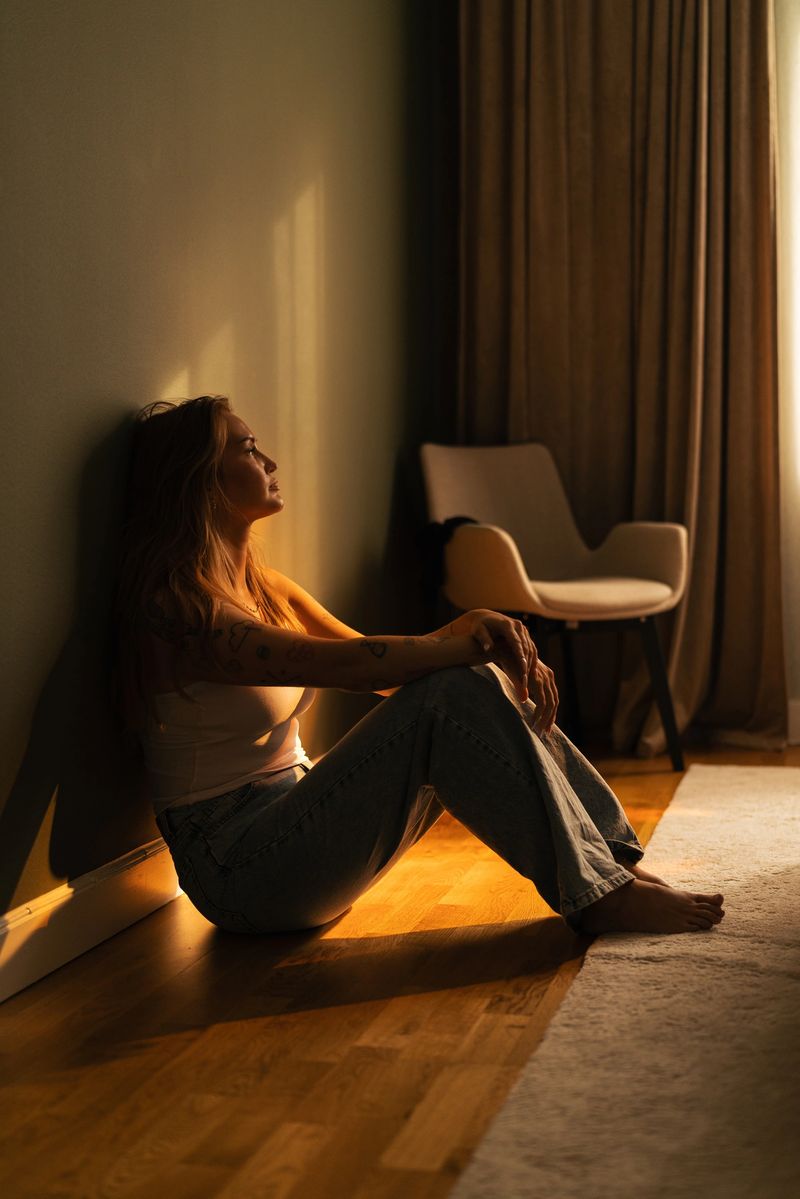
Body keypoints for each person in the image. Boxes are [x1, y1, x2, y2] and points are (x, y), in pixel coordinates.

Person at [112, 395, 725, 938]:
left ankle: (612, 862)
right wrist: (468, 645)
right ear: (199, 480)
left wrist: (468, 629)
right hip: (242, 875)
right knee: (452, 690)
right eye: (248, 450)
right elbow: (351, 667)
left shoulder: (263, 586)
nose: (270, 462)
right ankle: (600, 896)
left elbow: (381, 669)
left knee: (462, 685)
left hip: (297, 829)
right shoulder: (178, 609)